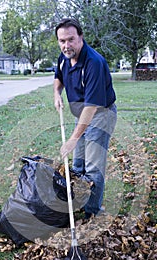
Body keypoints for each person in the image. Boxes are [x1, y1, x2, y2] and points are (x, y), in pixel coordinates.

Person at [54, 17, 117, 220]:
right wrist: (57, 94)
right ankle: (79, 200)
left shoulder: (94, 63)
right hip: (81, 114)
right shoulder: (64, 57)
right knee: (78, 164)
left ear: (81, 37)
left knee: (93, 167)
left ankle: (92, 212)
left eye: (71, 39)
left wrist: (73, 138)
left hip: (100, 114)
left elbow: (91, 107)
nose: (66, 45)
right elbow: (58, 77)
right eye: (62, 41)